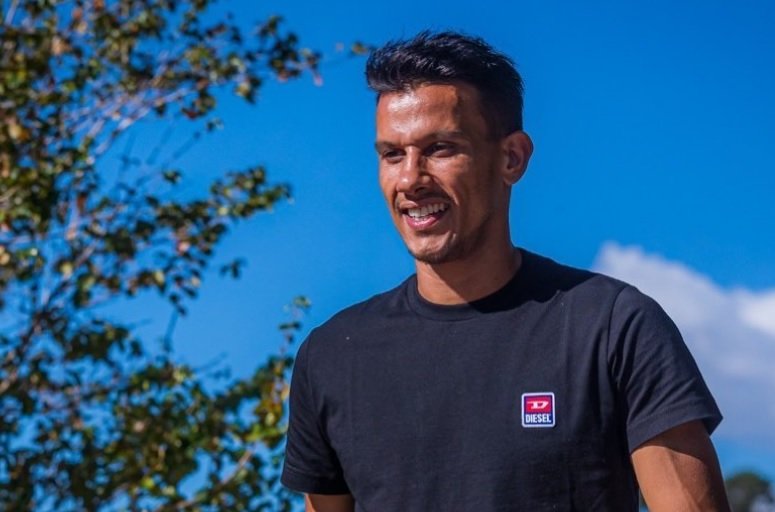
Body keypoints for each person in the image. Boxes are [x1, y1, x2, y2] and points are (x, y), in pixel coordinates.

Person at [281, 31, 730, 511]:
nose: (410, 179)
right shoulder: (332, 357)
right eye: (392, 154)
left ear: (511, 157)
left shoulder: (612, 326)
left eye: (440, 148)